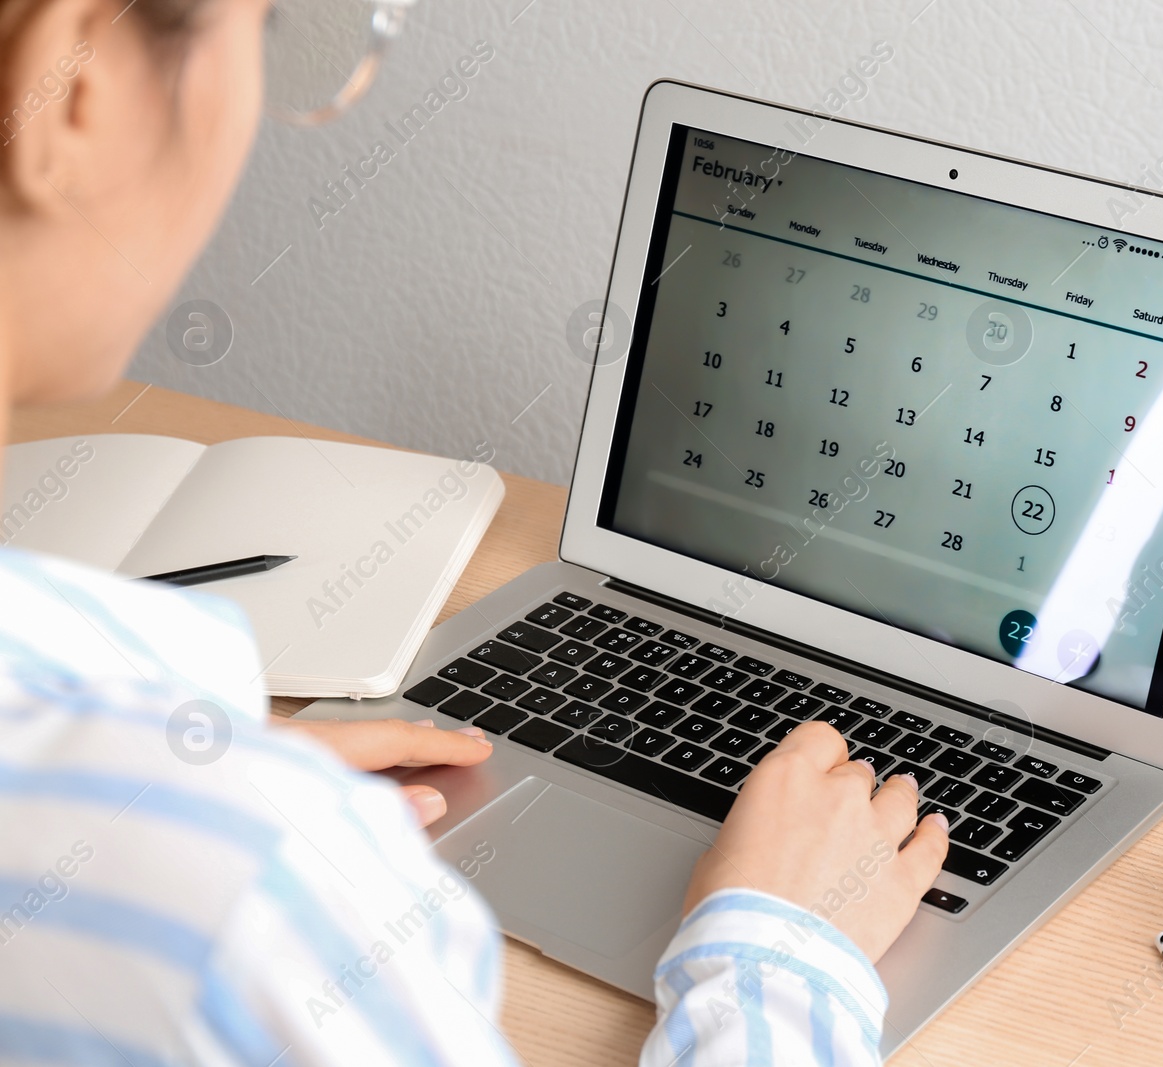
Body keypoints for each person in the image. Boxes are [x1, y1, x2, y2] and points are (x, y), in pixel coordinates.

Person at [0, 1, 950, 1063]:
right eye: (264, 25)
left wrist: (180, 789)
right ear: (69, 96)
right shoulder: (238, 915)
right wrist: (781, 953)